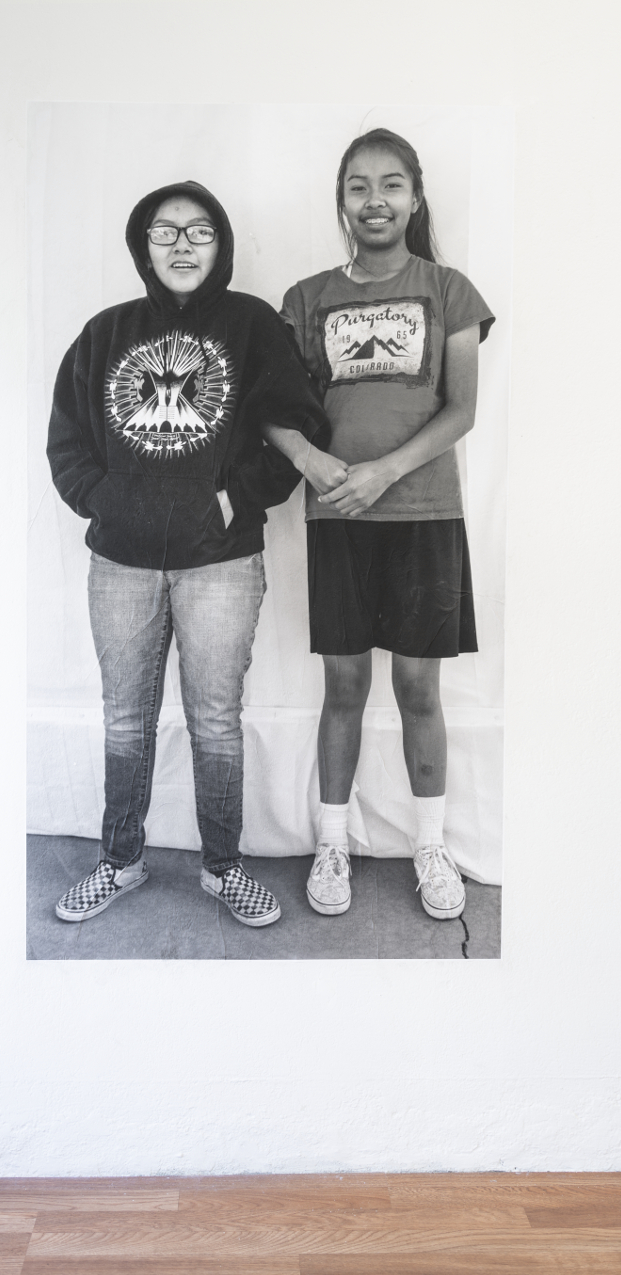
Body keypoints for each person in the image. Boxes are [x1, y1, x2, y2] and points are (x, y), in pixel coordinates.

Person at [47, 180, 327, 928]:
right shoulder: (105, 332)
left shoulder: (252, 325)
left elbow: (299, 424)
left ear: (220, 243)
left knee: (214, 721)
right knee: (125, 721)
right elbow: (67, 440)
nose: (180, 243)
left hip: (221, 563)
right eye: (164, 231)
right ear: (143, 245)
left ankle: (224, 867)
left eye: (198, 230)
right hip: (120, 564)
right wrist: (107, 503)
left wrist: (235, 499)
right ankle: (119, 860)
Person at [264, 129, 495, 921]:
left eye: (391, 185)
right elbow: (276, 410)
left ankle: (430, 844)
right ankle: (332, 842)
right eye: (358, 187)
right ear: (340, 201)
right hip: (337, 519)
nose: (375, 200)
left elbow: (461, 407)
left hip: (424, 515)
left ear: (415, 198)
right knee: (344, 686)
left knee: (417, 686)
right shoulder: (305, 298)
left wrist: (384, 471)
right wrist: (314, 465)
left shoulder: (448, 289)